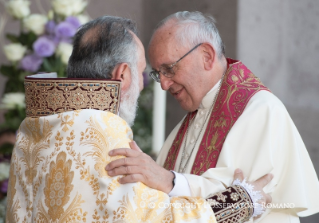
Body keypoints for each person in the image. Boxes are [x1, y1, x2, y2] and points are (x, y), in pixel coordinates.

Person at [6, 16, 271, 223]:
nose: (146, 86)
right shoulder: (101, 129)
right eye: (143, 73)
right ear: (122, 75)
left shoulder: (35, 126)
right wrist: (240, 201)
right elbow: (152, 218)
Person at [106, 11, 319, 223]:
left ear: (207, 56)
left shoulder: (262, 111)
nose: (163, 84)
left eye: (169, 69)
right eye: (157, 73)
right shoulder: (192, 119)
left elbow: (246, 201)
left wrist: (169, 180)